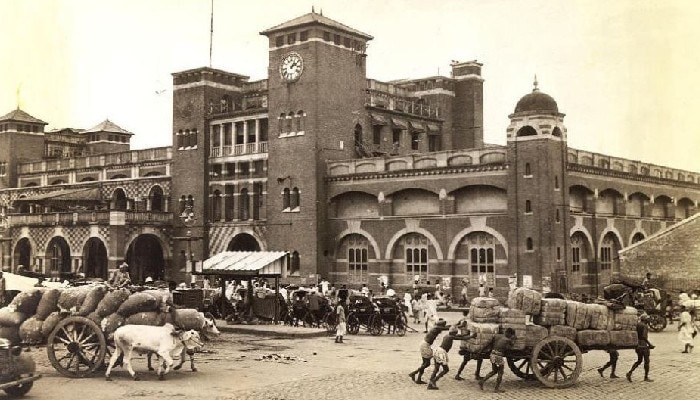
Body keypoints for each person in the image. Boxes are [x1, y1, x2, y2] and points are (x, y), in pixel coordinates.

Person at [409, 319, 449, 384]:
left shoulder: (436, 327)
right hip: (425, 345)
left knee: (424, 363)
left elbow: (445, 327)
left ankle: (418, 379)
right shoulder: (436, 328)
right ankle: (414, 373)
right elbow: (445, 328)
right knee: (427, 363)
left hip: (424, 344)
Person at [479, 328, 516, 393]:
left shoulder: (497, 336)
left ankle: (482, 381)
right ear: (510, 334)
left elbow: (488, 342)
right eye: (511, 335)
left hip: (492, 354)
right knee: (500, 372)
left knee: (494, 371)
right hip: (498, 356)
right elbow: (511, 346)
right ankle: (496, 388)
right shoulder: (508, 340)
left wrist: (481, 350)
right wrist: (514, 339)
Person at [454, 310, 485, 381]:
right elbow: (466, 330)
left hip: (465, 341)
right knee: (473, 359)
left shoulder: (462, 319)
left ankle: (459, 374)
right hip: (468, 342)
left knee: (467, 360)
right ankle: (475, 374)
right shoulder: (467, 320)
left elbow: (458, 326)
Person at [626, 313, 655, 382]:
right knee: (646, 361)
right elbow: (644, 337)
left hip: (637, 343)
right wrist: (650, 344)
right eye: (647, 319)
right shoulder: (644, 326)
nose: (649, 320)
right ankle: (646, 377)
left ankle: (630, 372)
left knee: (639, 360)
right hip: (643, 344)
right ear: (645, 320)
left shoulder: (638, 324)